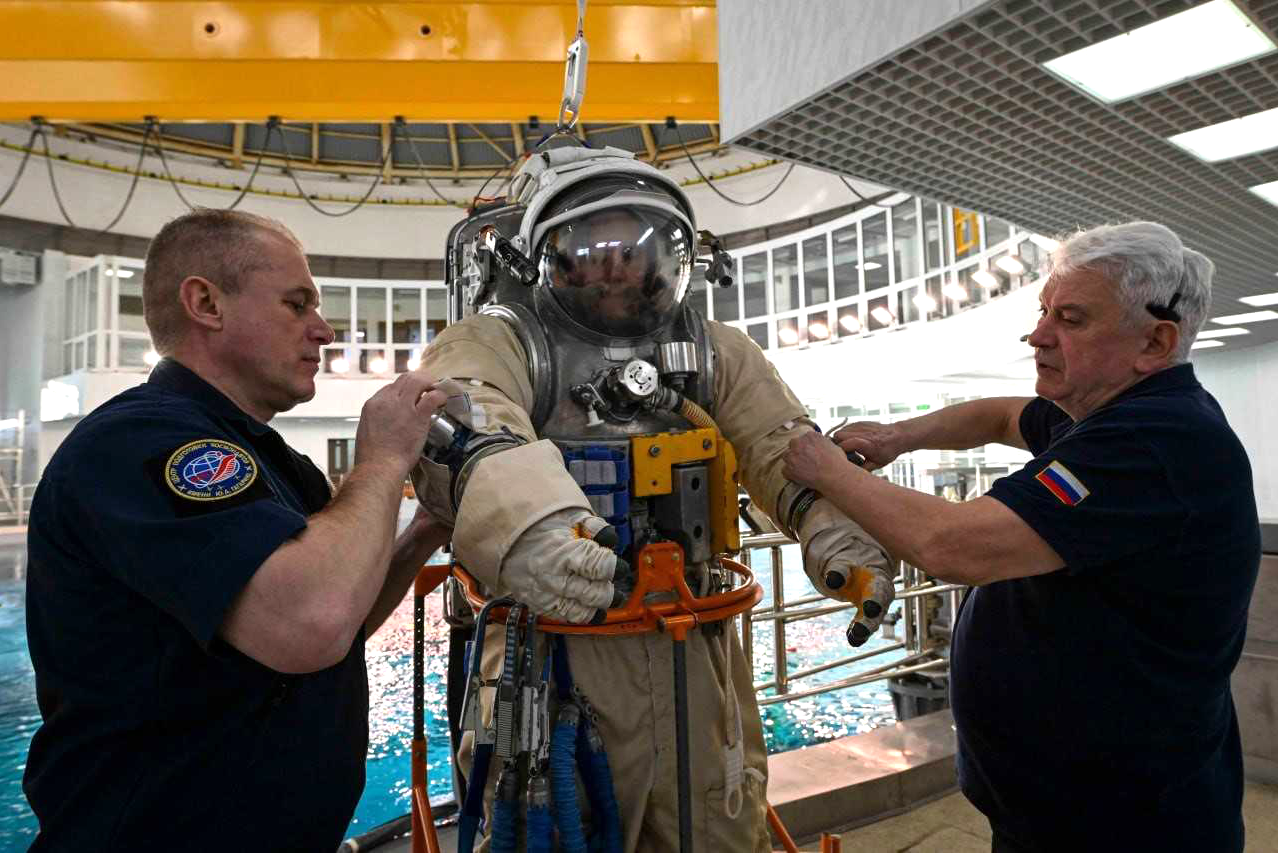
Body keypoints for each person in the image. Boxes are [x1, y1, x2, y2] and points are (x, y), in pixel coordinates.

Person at [412, 144, 896, 851]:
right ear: (543, 257)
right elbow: (466, 416)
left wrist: (837, 533)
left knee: (720, 821)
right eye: (592, 246)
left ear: (670, 261)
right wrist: (534, 530)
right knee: (546, 829)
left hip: (696, 645)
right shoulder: (501, 342)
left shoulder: (714, 351)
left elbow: (782, 445)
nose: (614, 266)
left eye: (633, 247)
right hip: (551, 653)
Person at [783, 221, 1261, 852]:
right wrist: (899, 438)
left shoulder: (1152, 441)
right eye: (1043, 312)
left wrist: (826, 471)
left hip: (1126, 825)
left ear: (1156, 341)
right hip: (1061, 812)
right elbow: (1001, 415)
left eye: (1071, 319)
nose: (1037, 335)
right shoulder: (1100, 412)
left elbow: (953, 546)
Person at [23, 209, 452, 851]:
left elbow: (344, 625)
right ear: (206, 303)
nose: (324, 330)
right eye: (296, 303)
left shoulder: (270, 461)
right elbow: (310, 622)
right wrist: (384, 459)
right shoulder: (138, 443)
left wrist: (421, 531)